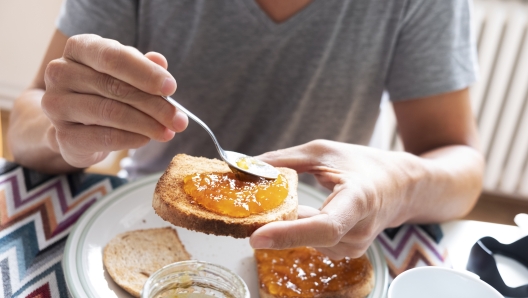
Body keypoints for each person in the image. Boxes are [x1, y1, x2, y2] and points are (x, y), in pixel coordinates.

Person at [7, 0, 484, 259]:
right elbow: (26, 121)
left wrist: (397, 187)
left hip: (323, 240)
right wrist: (60, 131)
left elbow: (459, 163)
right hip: (142, 222)